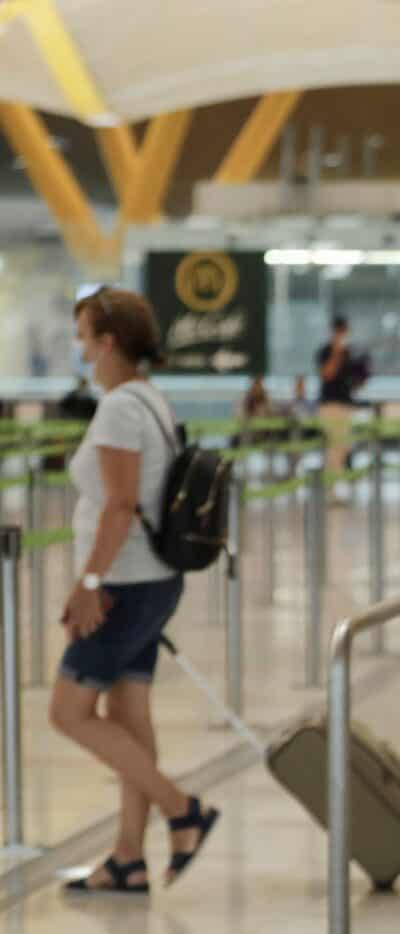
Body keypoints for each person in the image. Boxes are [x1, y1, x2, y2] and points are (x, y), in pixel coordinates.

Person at [50, 287, 219, 893]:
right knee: (127, 712)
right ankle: (127, 856)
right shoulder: (149, 400)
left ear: (108, 341)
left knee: (68, 712)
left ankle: (183, 809)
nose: (80, 347)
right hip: (152, 580)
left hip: (123, 584)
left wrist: (88, 582)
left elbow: (121, 503)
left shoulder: (121, 408)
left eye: (85, 335)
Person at [315, 317, 364, 501]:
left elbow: (354, 381)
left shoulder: (350, 354)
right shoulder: (326, 351)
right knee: (333, 448)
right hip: (330, 406)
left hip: (346, 405)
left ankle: (333, 488)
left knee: (343, 447)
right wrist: (336, 352)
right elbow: (327, 374)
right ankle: (328, 490)